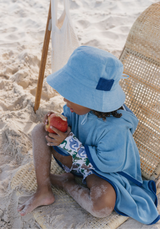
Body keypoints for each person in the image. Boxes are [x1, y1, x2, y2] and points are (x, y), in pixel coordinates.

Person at [17, 46, 159, 224]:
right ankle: (43, 189)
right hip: (79, 161)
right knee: (39, 130)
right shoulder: (78, 106)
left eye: (72, 94)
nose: (65, 99)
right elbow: (71, 127)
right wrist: (60, 127)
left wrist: (68, 142)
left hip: (104, 172)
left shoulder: (116, 128)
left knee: (103, 204)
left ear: (90, 98)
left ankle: (66, 183)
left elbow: (107, 164)